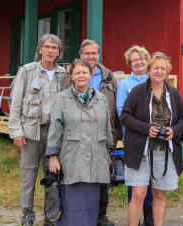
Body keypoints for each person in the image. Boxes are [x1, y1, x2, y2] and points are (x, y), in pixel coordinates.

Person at [120, 52, 183, 226]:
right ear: (149, 70)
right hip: (140, 151)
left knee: (159, 194)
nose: (159, 72)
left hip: (164, 152)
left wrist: (174, 130)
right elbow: (125, 116)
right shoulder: (138, 91)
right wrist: (146, 129)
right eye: (156, 68)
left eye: (163, 69)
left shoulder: (173, 93)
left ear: (167, 72)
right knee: (138, 195)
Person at [45, 58, 113, 225]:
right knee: (73, 206)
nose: (81, 75)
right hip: (72, 158)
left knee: (91, 205)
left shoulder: (101, 98)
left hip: (96, 158)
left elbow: (107, 126)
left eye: (85, 72)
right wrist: (53, 156)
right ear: (72, 76)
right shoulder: (62, 98)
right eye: (77, 73)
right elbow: (55, 128)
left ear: (90, 74)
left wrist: (108, 152)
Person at [8, 34, 66, 226]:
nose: (51, 51)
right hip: (31, 132)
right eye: (47, 47)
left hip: (56, 134)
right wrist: (16, 130)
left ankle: (49, 217)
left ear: (59, 51)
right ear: (40, 49)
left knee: (53, 177)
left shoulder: (63, 74)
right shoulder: (26, 71)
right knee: (28, 177)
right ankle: (27, 218)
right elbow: (15, 103)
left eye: (54, 48)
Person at [62, 39, 120, 226]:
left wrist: (114, 138)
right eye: (87, 53)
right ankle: (73, 215)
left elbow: (116, 105)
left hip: (103, 131)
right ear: (81, 55)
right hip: (76, 133)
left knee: (101, 177)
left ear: (98, 54)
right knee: (77, 177)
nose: (90, 57)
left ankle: (100, 215)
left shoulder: (108, 75)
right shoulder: (71, 75)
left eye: (94, 53)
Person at [116, 45, 154, 226]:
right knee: (136, 180)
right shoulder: (125, 84)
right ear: (129, 63)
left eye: (141, 58)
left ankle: (149, 213)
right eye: (134, 60)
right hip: (134, 139)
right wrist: (145, 125)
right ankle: (135, 218)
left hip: (155, 140)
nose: (138, 62)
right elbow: (122, 111)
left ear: (147, 60)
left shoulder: (155, 79)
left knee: (153, 179)